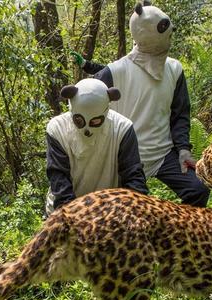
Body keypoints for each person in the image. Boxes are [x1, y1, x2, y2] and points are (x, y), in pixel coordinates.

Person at [71, 2, 210, 207]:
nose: (171, 31)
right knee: (129, 213)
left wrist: (183, 149)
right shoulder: (115, 72)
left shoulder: (174, 69)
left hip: (163, 155)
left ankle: (179, 233)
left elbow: (180, 113)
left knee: (198, 190)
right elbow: (85, 102)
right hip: (125, 160)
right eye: (163, 27)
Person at [45, 78, 148, 215]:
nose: (87, 129)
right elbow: (59, 181)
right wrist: (76, 216)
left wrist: (132, 212)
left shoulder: (122, 129)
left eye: (95, 122)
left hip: (109, 213)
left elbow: (133, 178)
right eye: (79, 121)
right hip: (65, 210)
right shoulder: (57, 129)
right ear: (72, 110)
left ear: (106, 112)